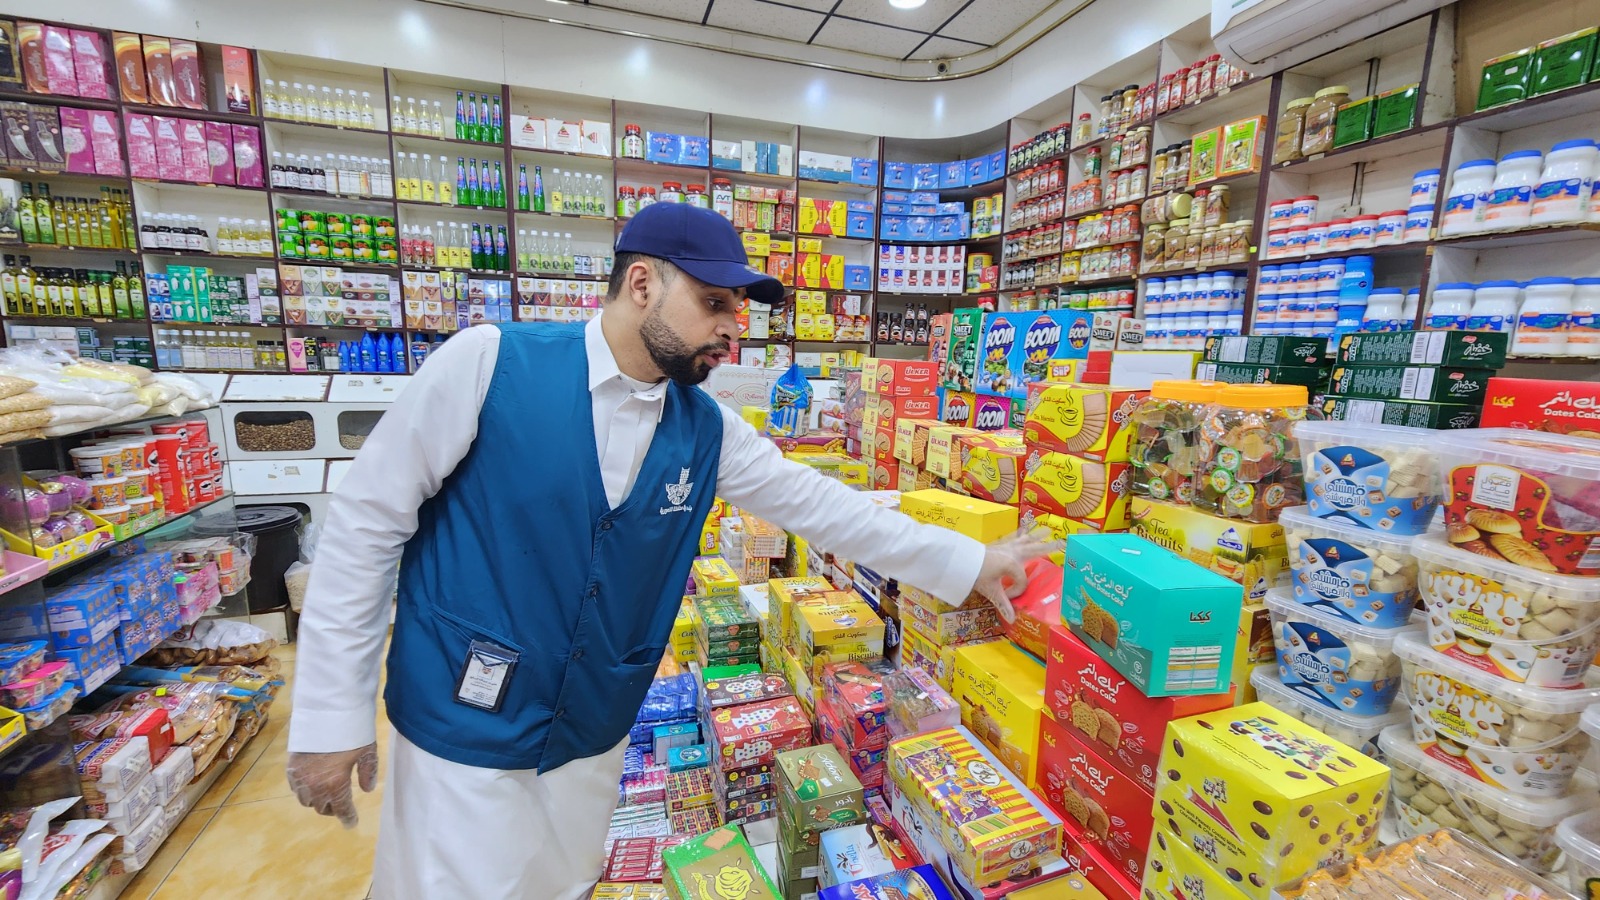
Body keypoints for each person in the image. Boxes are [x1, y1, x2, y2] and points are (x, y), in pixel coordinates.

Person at [285, 202, 1055, 899]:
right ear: (643, 283)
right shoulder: (490, 364)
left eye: (738, 309)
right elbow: (364, 525)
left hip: (591, 732)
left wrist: (968, 561)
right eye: (715, 303)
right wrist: (329, 716)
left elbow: (826, 509)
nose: (733, 327)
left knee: (560, 884)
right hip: (466, 722)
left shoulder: (705, 428)